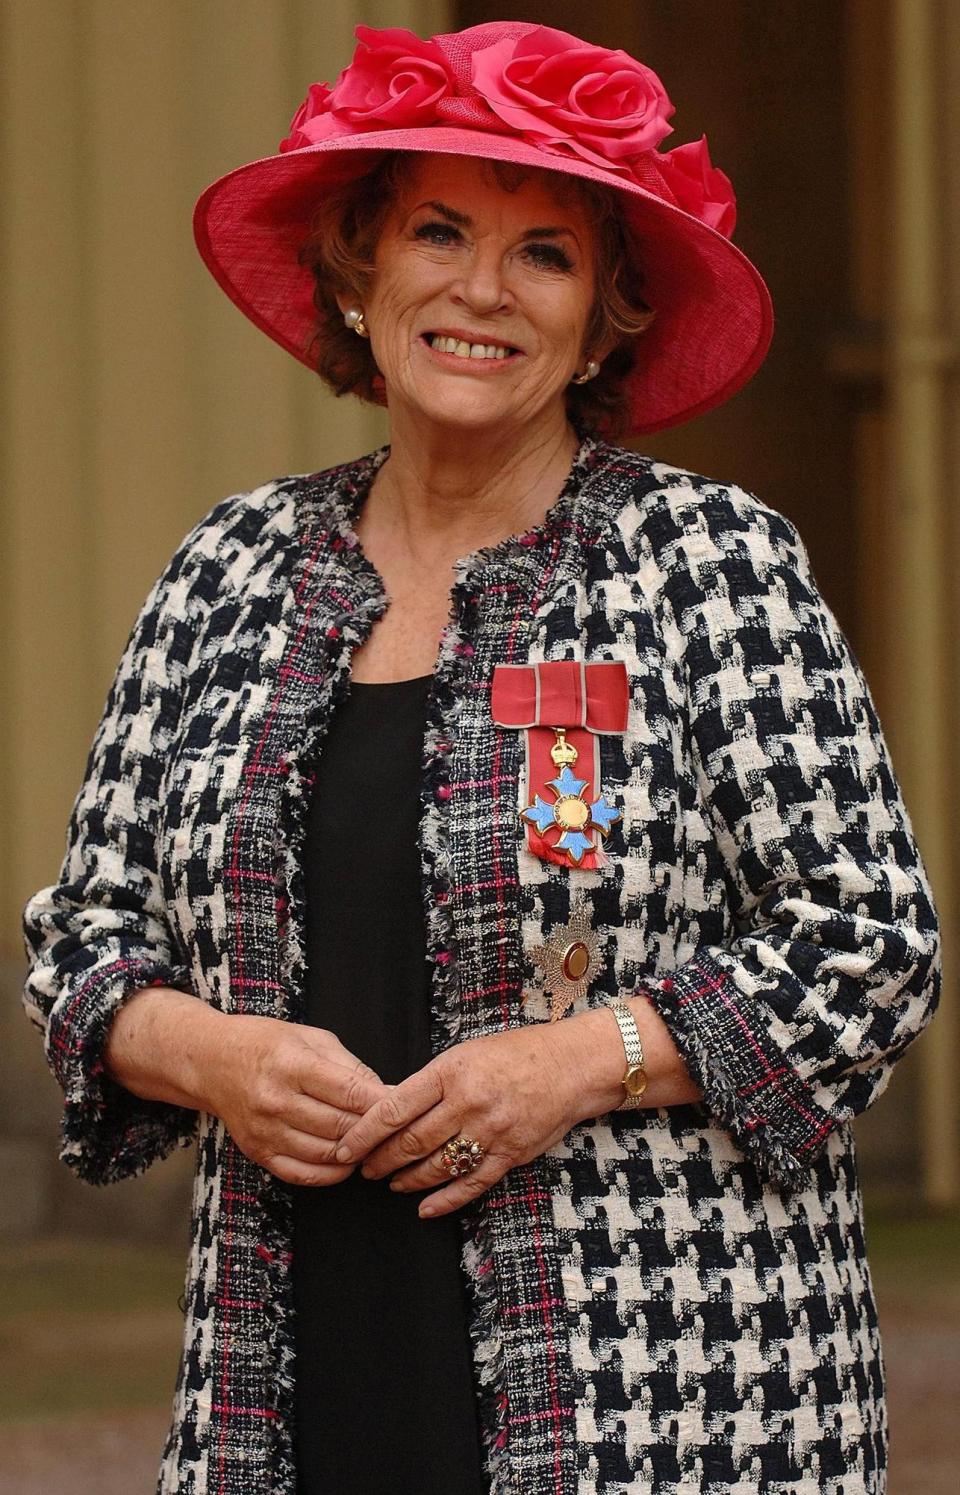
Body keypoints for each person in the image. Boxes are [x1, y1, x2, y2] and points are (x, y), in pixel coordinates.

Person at [21, 19, 938, 1495]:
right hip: (292, 1372)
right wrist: (213, 1056)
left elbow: (870, 944)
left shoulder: (707, 562)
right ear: (361, 269)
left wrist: (580, 1062)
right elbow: (83, 941)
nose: (481, 290)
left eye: (548, 254)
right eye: (440, 230)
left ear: (608, 317)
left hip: (667, 1391)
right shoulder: (231, 566)